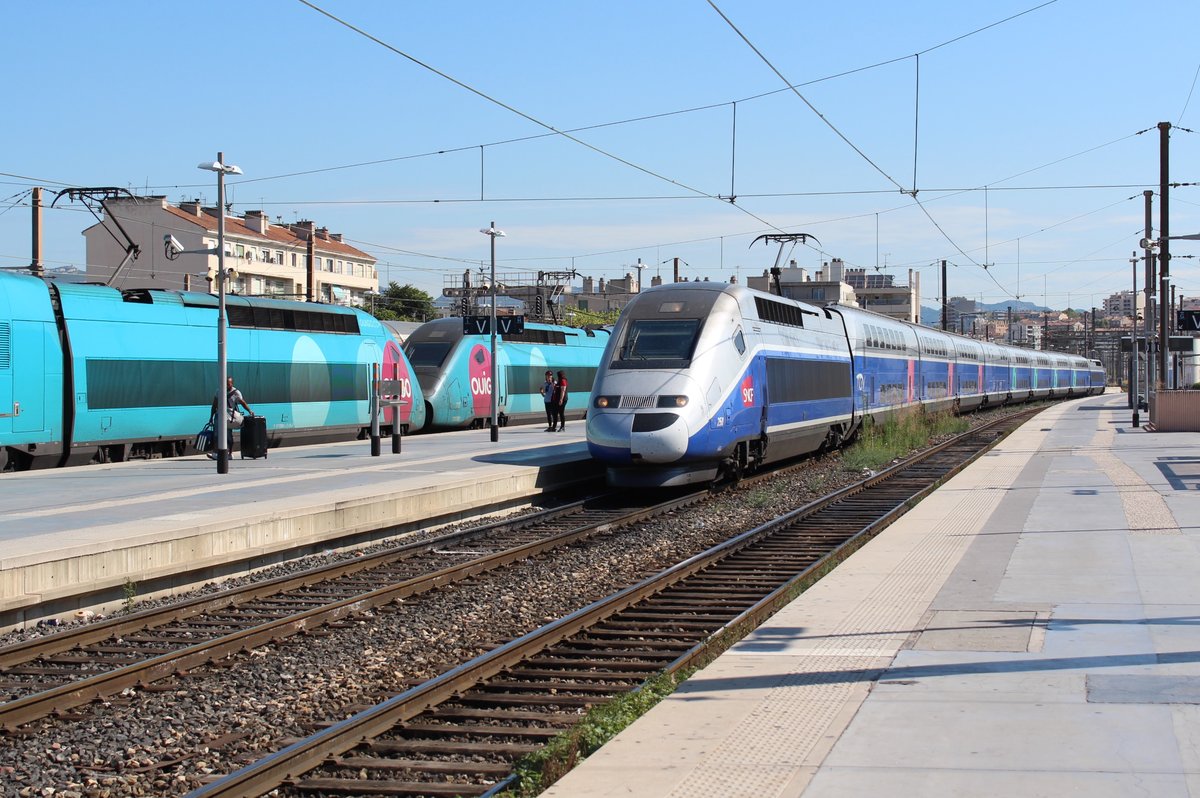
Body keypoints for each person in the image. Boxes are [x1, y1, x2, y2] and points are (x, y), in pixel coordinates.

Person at [208, 376, 253, 458]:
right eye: (225, 384)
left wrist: (249, 410)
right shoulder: (219, 391)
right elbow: (214, 405)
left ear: (232, 383)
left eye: (228, 384)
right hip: (219, 415)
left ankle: (230, 453)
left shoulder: (236, 392)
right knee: (216, 434)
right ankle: (215, 453)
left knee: (228, 435)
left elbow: (243, 403)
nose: (227, 386)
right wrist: (211, 417)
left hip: (229, 417)